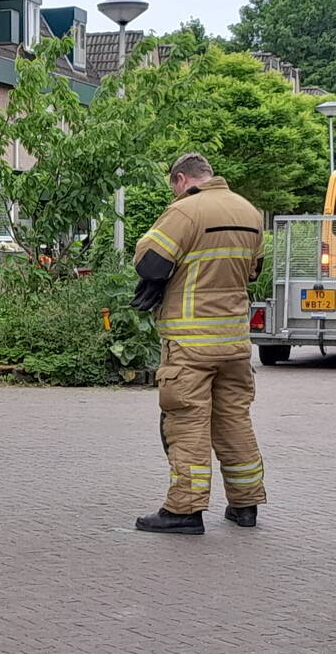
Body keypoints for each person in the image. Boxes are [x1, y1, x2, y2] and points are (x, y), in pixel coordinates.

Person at [131, 152, 267, 535]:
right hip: (234, 342)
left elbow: (148, 263)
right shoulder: (249, 211)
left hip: (190, 343)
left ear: (180, 180)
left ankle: (184, 510)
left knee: (187, 422)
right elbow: (254, 270)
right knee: (234, 420)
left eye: (173, 187)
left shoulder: (185, 211)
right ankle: (245, 504)